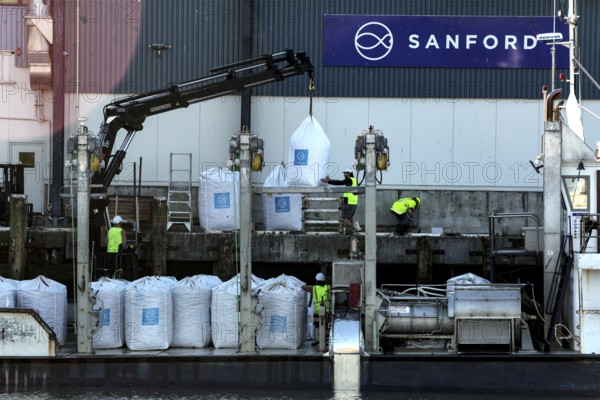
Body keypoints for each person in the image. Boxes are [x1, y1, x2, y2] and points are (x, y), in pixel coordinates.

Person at [320, 167, 361, 232]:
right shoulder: (354, 180)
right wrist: (331, 180)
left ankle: (349, 229)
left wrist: (329, 181)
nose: (344, 175)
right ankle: (356, 228)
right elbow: (341, 182)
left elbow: (340, 182)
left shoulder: (349, 180)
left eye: (345, 173)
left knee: (345, 218)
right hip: (353, 202)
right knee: (350, 217)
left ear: (348, 173)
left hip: (349, 202)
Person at [302, 272, 331, 346]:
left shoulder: (313, 288)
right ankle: (324, 340)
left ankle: (319, 341)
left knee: (317, 326)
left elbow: (303, 287)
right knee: (326, 326)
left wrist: (310, 286)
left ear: (317, 280)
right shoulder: (328, 287)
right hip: (327, 311)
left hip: (317, 311)